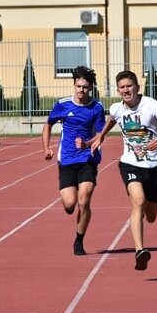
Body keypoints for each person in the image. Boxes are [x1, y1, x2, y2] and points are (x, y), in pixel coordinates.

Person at [90, 70, 157, 270]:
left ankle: (142, 237)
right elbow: (113, 119)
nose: (125, 90)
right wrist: (101, 136)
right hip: (130, 163)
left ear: (137, 87)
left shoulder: (151, 105)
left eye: (129, 86)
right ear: (118, 90)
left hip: (154, 167)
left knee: (151, 217)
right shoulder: (116, 108)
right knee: (137, 201)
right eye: (121, 87)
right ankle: (140, 251)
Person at [41, 66, 106, 256]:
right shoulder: (62, 105)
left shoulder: (97, 108)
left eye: (85, 87)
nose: (81, 90)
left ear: (91, 88)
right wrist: (46, 148)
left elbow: (101, 134)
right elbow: (47, 125)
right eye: (78, 86)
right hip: (67, 159)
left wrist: (87, 144)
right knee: (70, 205)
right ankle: (71, 203)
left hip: (88, 158)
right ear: (74, 85)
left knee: (84, 200)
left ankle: (79, 240)